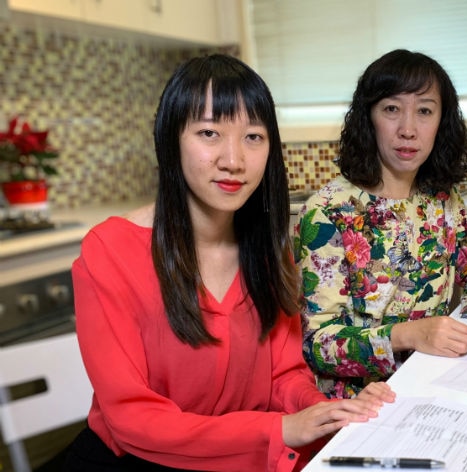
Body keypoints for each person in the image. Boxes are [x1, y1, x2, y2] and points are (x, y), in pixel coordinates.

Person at [65, 54, 394, 472]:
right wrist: (280, 431)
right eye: (209, 133)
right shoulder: (109, 251)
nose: (234, 160)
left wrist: (327, 412)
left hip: (238, 459)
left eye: (253, 137)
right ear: (170, 140)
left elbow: (283, 376)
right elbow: (132, 418)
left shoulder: (266, 249)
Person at [294, 49, 467, 399]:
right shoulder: (328, 213)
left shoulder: (441, 199)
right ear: (369, 117)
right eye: (391, 109)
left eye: (424, 111)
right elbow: (318, 344)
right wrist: (410, 334)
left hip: (434, 379)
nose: (408, 129)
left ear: (442, 122)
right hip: (360, 403)